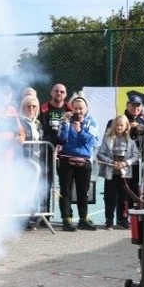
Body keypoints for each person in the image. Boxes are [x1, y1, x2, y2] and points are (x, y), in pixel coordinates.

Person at [104, 91, 144, 227]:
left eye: (138, 106)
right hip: (115, 164)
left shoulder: (143, 122)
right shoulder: (115, 121)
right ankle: (110, 220)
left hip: (132, 164)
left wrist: (141, 129)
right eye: (133, 105)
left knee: (130, 192)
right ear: (127, 105)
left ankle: (126, 219)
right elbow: (107, 141)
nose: (136, 108)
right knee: (111, 192)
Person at [57, 94, 99, 231]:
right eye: (75, 108)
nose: (78, 111)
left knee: (83, 192)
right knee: (66, 191)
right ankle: (66, 219)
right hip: (66, 159)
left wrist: (79, 130)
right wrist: (65, 124)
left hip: (84, 161)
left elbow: (90, 140)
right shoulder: (66, 120)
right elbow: (62, 139)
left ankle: (83, 218)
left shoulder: (91, 121)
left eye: (81, 108)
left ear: (86, 109)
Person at [97, 115, 140, 230]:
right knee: (109, 197)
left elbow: (136, 155)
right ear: (113, 125)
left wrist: (125, 163)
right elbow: (100, 154)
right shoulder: (108, 138)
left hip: (124, 173)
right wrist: (112, 162)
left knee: (124, 197)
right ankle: (109, 220)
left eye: (122, 125)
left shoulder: (130, 140)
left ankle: (122, 219)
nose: (119, 127)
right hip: (111, 173)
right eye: (117, 125)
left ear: (126, 126)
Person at [38, 83, 73, 219]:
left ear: (65, 94)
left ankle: (67, 216)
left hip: (65, 154)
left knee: (66, 187)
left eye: (62, 91)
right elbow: (43, 132)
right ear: (51, 93)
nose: (59, 93)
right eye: (56, 91)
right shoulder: (44, 109)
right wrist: (55, 143)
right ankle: (44, 217)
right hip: (48, 152)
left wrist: (62, 144)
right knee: (46, 185)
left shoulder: (70, 109)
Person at [18, 93, 45, 230]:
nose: (31, 108)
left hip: (37, 159)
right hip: (24, 159)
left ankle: (30, 217)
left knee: (34, 191)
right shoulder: (20, 122)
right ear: (23, 107)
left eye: (34, 106)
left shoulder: (38, 123)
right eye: (28, 106)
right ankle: (21, 218)